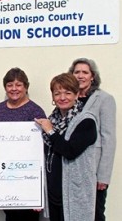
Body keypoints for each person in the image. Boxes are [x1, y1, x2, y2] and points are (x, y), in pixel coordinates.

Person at [35, 73, 97, 221]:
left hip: (74, 196)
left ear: (76, 95)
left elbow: (69, 151)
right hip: (54, 195)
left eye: (68, 93)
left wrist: (50, 131)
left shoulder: (86, 121)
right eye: (57, 93)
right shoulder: (52, 120)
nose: (62, 98)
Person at [0, 67, 46, 221]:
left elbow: (42, 149)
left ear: (26, 87)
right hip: (4, 175)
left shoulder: (35, 111)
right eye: (10, 85)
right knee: (10, 215)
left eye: (18, 85)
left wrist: (38, 190)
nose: (14, 89)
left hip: (27, 177)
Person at [68, 58, 116, 221]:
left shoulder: (104, 99)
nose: (80, 76)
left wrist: (103, 175)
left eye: (85, 72)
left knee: (95, 214)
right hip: (73, 169)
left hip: (94, 170)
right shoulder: (68, 99)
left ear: (92, 76)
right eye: (76, 72)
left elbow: (108, 138)